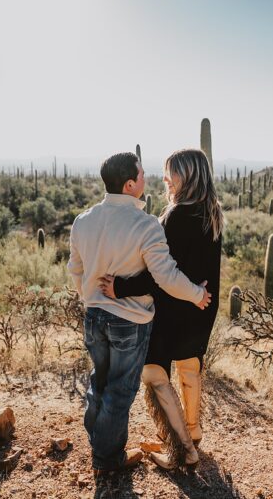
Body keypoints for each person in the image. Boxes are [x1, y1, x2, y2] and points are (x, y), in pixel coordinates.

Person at [67, 152, 212, 475]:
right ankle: (111, 455)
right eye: (145, 174)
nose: (153, 179)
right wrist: (198, 294)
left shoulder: (83, 220)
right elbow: (168, 276)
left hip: (100, 315)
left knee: (100, 383)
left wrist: (94, 297)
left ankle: (105, 450)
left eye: (159, 173)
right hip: (140, 319)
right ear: (130, 184)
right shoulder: (156, 224)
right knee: (122, 389)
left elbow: (75, 270)